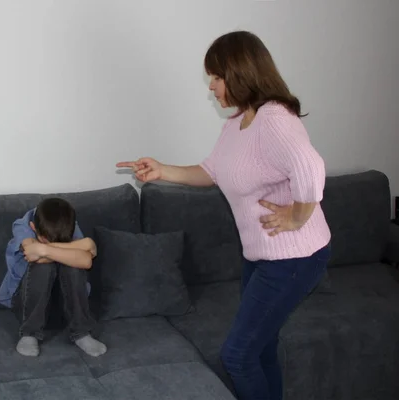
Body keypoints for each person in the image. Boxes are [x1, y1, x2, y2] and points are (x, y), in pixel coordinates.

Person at [116, 30, 331, 400]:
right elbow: (212, 171)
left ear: (241, 72)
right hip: (262, 257)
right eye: (211, 78)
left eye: (216, 77)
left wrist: (297, 216)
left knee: (237, 355)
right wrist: (162, 170)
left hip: (293, 258)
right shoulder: (237, 124)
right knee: (260, 348)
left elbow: (311, 167)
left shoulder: (274, 117)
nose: (212, 87)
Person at [0, 197, 107, 358]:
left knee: (73, 267)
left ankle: (81, 333)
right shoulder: (23, 226)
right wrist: (82, 246)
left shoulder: (66, 224)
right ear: (34, 227)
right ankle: (30, 333)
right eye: (44, 241)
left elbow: (86, 261)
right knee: (44, 266)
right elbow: (32, 254)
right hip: (27, 303)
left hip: (64, 306)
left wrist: (43, 248)